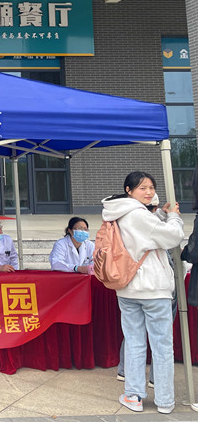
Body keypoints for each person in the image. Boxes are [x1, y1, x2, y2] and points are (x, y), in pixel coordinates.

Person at [102, 171, 183, 414]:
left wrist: (160, 215)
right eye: (142, 188)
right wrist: (174, 217)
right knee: (162, 346)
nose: (149, 192)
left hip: (127, 287)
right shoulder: (137, 214)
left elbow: (147, 234)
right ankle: (165, 401)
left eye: (151, 187)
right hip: (153, 288)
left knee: (134, 343)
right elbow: (172, 236)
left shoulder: (116, 213)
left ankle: (134, 396)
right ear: (129, 190)